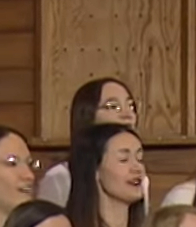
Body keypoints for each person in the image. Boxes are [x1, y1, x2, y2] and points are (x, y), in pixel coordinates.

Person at [37, 77, 139, 206]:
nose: (128, 115)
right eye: (113, 106)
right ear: (88, 115)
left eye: (131, 106)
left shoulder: (138, 178)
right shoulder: (60, 178)